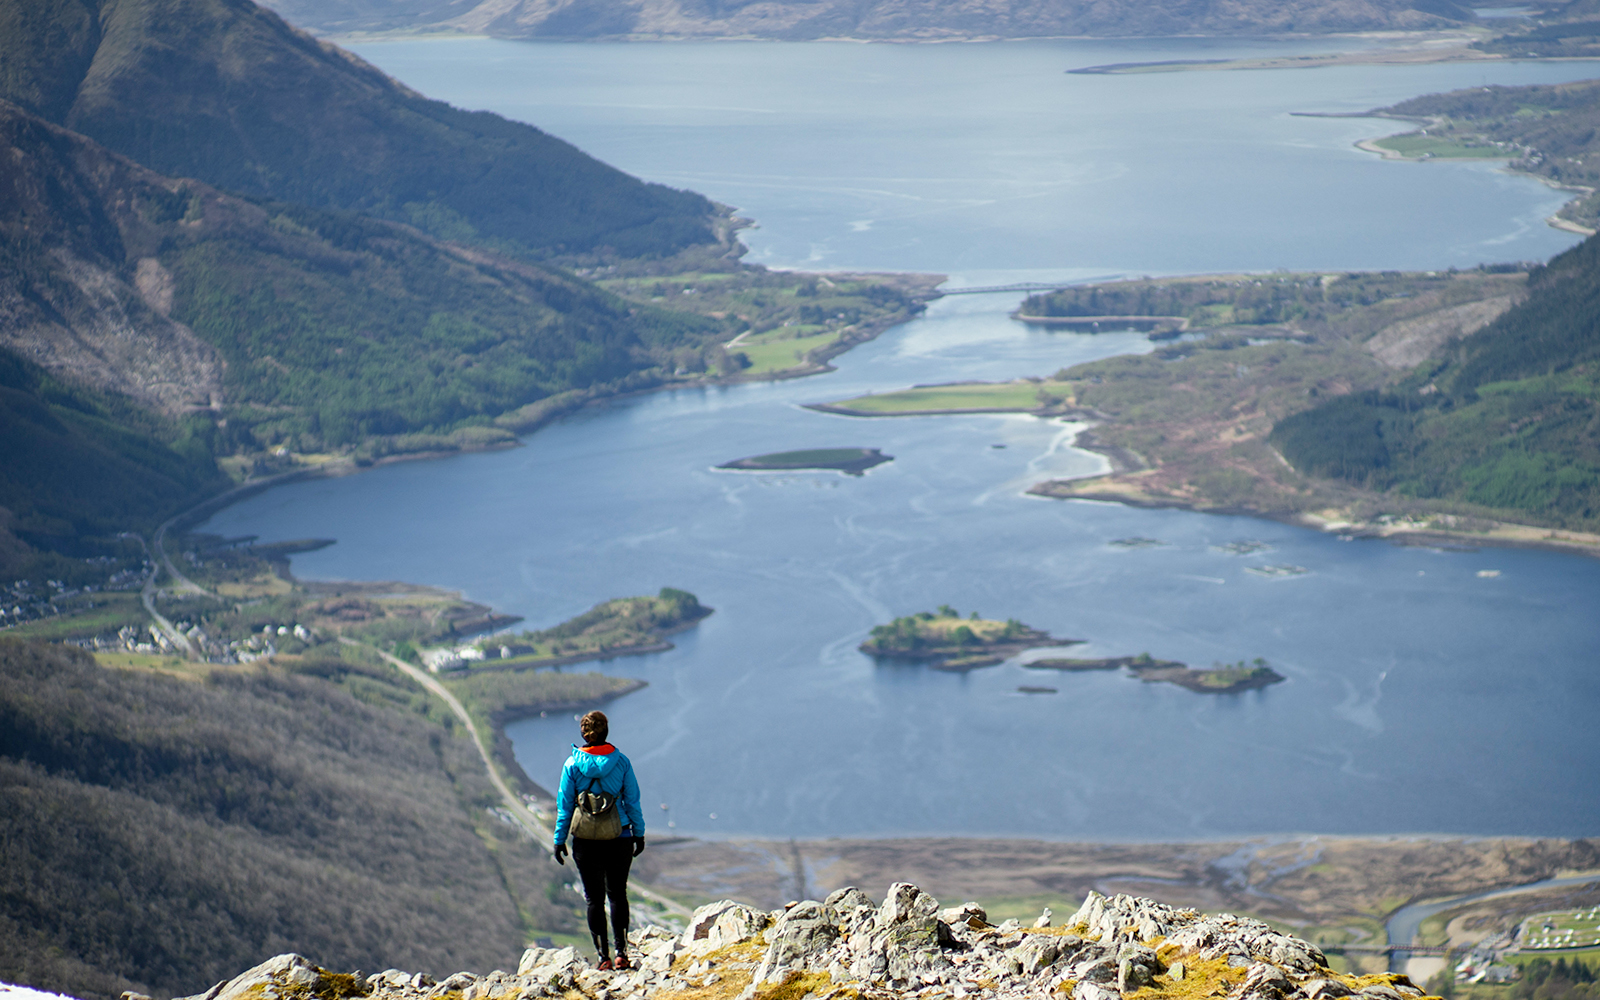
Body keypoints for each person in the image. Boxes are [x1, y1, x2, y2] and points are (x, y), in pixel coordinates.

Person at [553, 710, 645, 970]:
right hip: (620, 835)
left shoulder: (571, 765)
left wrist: (559, 840)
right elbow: (633, 801)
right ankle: (622, 953)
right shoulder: (622, 762)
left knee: (594, 899)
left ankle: (603, 957)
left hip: (585, 839)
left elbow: (565, 806)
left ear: (583, 734)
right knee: (617, 895)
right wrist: (638, 833)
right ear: (606, 732)